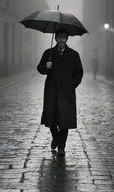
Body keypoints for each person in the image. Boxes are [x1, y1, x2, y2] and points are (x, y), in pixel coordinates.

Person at [37, 28, 83, 157]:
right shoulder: (48, 53)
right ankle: (55, 138)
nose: (61, 40)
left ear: (67, 38)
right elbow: (39, 68)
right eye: (59, 37)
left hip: (66, 92)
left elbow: (79, 72)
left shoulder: (74, 55)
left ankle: (61, 146)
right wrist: (46, 67)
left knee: (65, 120)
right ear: (56, 38)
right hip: (51, 91)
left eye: (64, 37)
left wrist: (72, 85)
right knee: (52, 118)